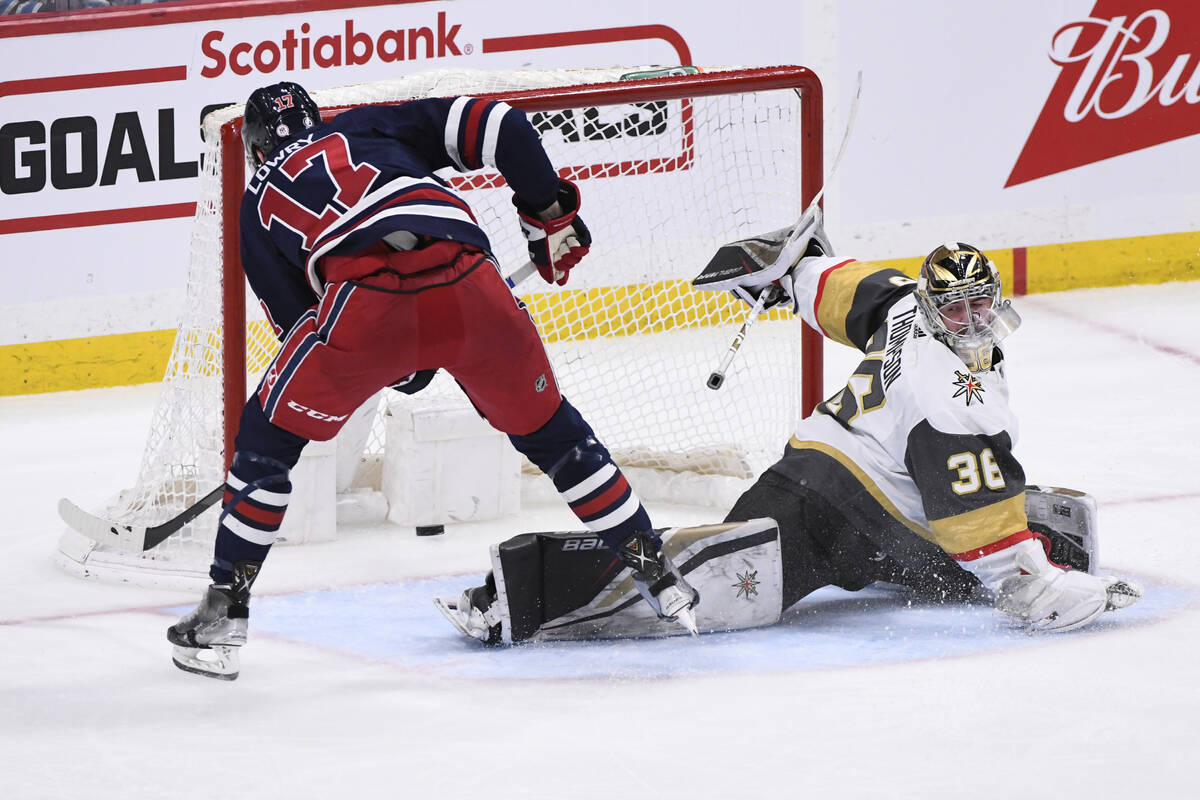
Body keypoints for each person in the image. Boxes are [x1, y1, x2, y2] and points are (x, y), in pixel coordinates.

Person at [168, 81, 698, 680]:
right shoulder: (367, 126)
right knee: (556, 437)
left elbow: (299, 326)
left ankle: (222, 611)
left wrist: (396, 361)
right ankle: (655, 568)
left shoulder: (256, 198)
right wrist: (547, 215)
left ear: (257, 149)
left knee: (266, 442)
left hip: (366, 305)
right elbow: (503, 126)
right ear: (320, 116)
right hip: (474, 282)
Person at [435, 209, 1142, 644]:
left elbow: (835, 285)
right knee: (711, 586)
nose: (968, 320)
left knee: (750, 564)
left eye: (977, 304)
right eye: (952, 309)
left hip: (817, 477)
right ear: (934, 307)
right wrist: (1030, 585)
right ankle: (525, 590)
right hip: (845, 510)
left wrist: (788, 270)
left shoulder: (903, 303)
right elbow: (970, 521)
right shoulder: (955, 397)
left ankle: (1038, 537)